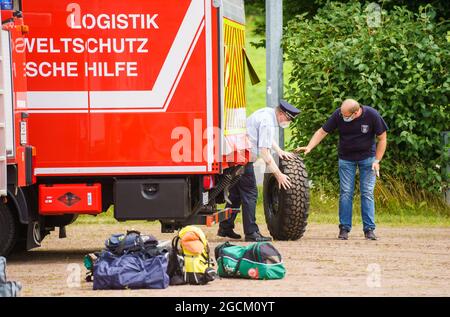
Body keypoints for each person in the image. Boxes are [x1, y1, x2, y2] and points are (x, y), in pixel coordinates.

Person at [296, 99, 388, 240]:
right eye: (342, 114)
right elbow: (322, 132)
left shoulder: (372, 115)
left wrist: (377, 160)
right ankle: (344, 228)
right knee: (346, 192)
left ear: (356, 112)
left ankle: (369, 229)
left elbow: (382, 138)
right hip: (346, 159)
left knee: (367, 192)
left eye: (346, 115)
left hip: (368, 159)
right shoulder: (339, 114)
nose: (343, 117)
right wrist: (309, 146)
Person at [218, 100, 300, 242]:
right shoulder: (268, 122)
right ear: (281, 114)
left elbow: (265, 138)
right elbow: (265, 154)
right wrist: (279, 175)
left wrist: (279, 151)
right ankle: (251, 233)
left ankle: (225, 226)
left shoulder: (267, 113)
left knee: (236, 194)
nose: (288, 122)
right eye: (288, 119)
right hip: (243, 158)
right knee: (250, 194)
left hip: (235, 154)